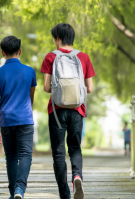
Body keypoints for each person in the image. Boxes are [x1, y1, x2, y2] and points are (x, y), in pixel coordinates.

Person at [41, 23, 95, 199]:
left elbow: (47, 87)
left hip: (56, 111)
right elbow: (90, 88)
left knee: (58, 152)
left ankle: (64, 194)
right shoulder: (83, 57)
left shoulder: (51, 57)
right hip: (77, 110)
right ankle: (77, 176)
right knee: (75, 148)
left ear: (57, 39)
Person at [0, 36, 36, 199]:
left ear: (2, 53)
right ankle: (19, 190)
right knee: (25, 155)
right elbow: (30, 98)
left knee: (11, 157)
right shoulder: (30, 71)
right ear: (20, 51)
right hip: (25, 119)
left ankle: (13, 193)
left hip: (6, 120)